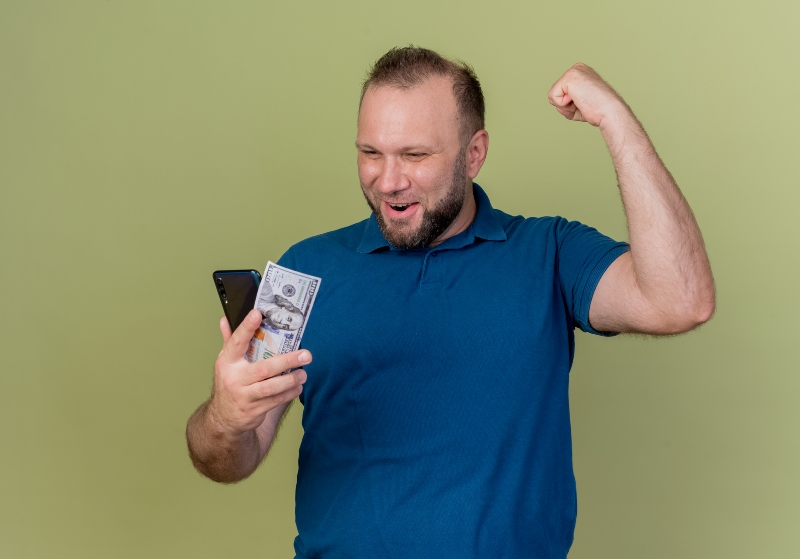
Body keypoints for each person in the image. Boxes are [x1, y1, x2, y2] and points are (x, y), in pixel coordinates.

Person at [186, 47, 715, 558]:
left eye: (415, 155)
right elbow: (226, 461)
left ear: (474, 154)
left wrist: (616, 120)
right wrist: (225, 418)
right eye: (371, 153)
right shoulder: (305, 269)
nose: (388, 181)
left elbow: (681, 301)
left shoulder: (549, 252)